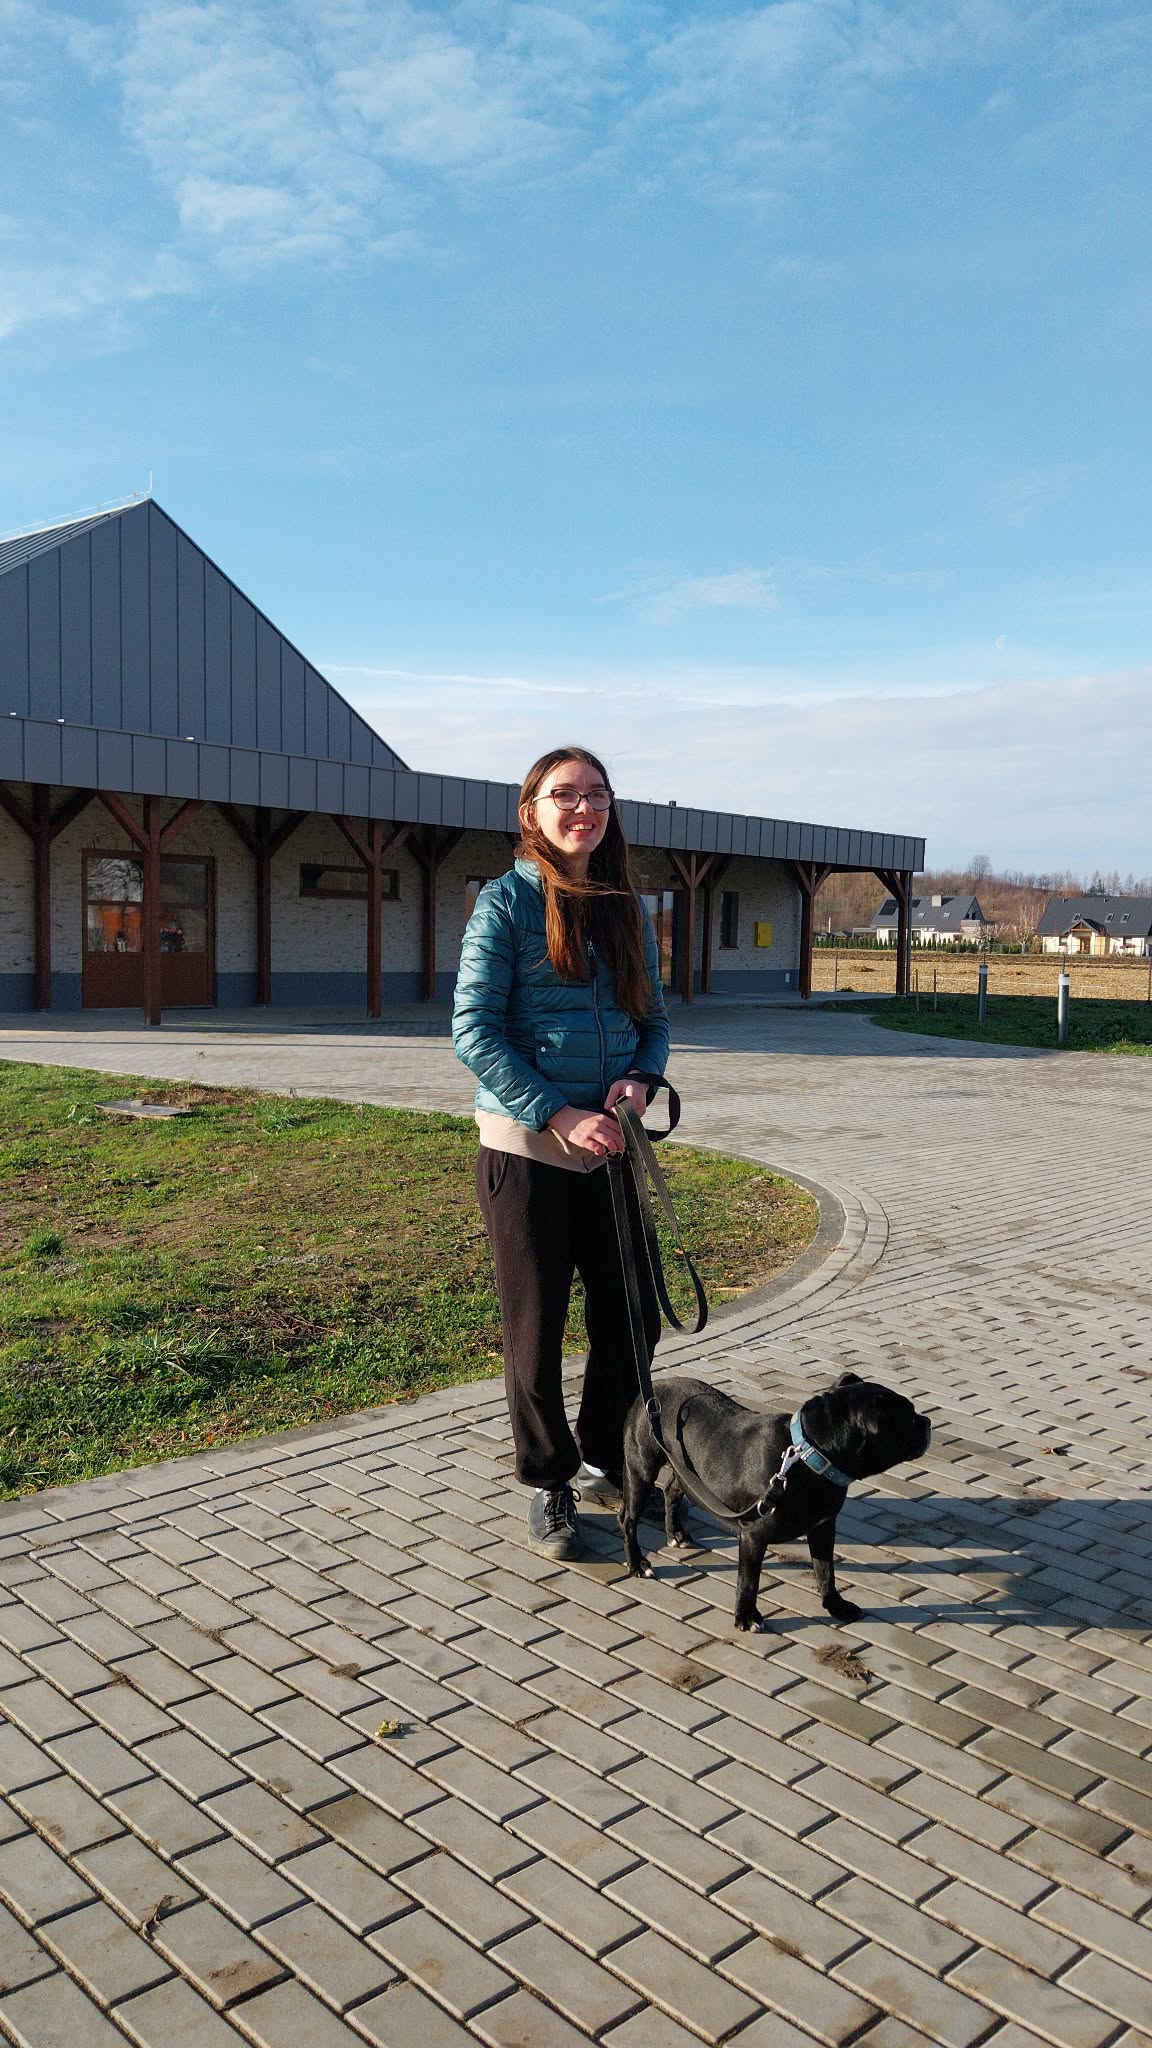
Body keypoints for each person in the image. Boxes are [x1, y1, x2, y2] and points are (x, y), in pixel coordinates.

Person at [452, 746, 669, 1559]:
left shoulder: (625, 908)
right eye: (566, 795)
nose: (584, 809)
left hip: (611, 1149)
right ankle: (549, 1481)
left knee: (631, 1316)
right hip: (527, 1152)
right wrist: (558, 1113)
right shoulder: (505, 904)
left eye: (597, 795)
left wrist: (640, 1079)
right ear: (531, 812)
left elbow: (653, 1019)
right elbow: (474, 1031)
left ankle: (610, 1458)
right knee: (536, 1329)